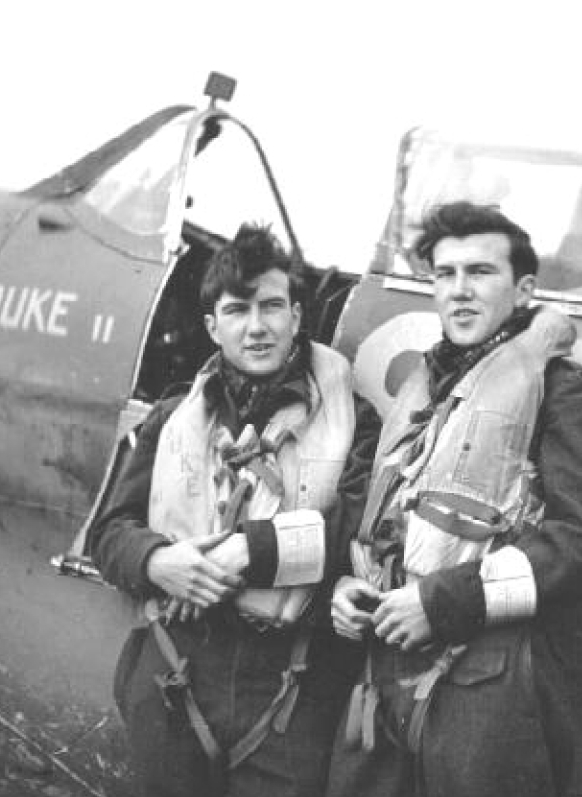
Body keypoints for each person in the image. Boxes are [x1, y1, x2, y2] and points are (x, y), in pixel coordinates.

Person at [328, 201, 582, 797]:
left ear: (523, 289)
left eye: (481, 273)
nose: (460, 291)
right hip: (382, 674)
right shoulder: (426, 388)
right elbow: (384, 516)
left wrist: (443, 602)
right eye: (445, 274)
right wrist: (346, 585)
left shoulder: (568, 393)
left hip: (489, 689)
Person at [90, 223, 380, 797]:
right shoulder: (174, 414)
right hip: (175, 661)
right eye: (237, 310)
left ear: (297, 316)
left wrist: (252, 549)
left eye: (273, 306)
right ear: (211, 326)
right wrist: (158, 562)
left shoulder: (356, 420)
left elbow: (355, 532)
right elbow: (109, 532)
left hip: (288, 679)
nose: (257, 326)